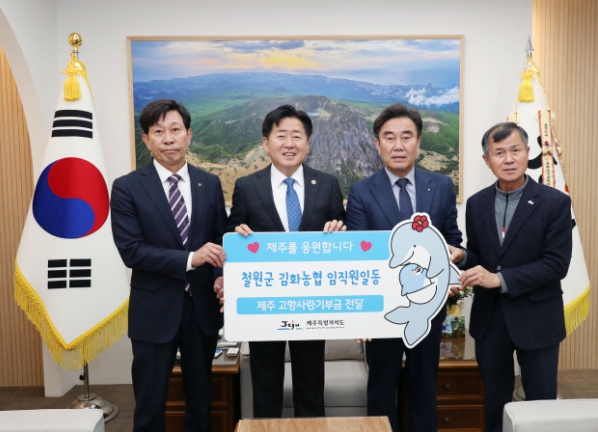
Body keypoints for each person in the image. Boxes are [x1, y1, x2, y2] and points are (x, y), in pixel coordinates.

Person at [345, 103, 463, 432]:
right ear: (377, 143)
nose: (398, 145)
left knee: (424, 388)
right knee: (381, 391)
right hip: (381, 311)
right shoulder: (361, 192)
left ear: (418, 141)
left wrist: (457, 256)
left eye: (406, 137)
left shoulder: (441, 185)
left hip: (428, 307)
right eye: (389, 137)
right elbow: (358, 256)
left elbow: (453, 240)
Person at [110, 99, 227, 432]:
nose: (168, 139)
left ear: (188, 135)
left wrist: (220, 276)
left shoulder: (209, 183)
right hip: (153, 311)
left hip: (202, 309)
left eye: (175, 130)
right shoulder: (127, 187)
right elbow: (132, 251)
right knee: (150, 405)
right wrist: (191, 259)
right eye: (158, 132)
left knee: (201, 403)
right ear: (146, 139)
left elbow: (219, 240)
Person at [226, 104, 345, 418]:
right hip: (265, 302)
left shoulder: (328, 185)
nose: (289, 143)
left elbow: (343, 238)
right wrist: (236, 234)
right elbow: (232, 235)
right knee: (265, 387)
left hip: (312, 301)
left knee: (311, 386)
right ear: (266, 143)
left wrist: (339, 230)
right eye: (281, 136)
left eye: (297, 136)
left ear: (308, 143)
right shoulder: (247, 187)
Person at [455, 122, 572, 432]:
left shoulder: (555, 202)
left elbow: (556, 264)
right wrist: (463, 257)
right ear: (487, 160)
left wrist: (501, 280)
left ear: (527, 153)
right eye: (499, 153)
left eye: (515, 150)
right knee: (494, 403)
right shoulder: (477, 203)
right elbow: (481, 256)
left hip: (538, 317)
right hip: (490, 318)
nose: (508, 159)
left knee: (540, 405)